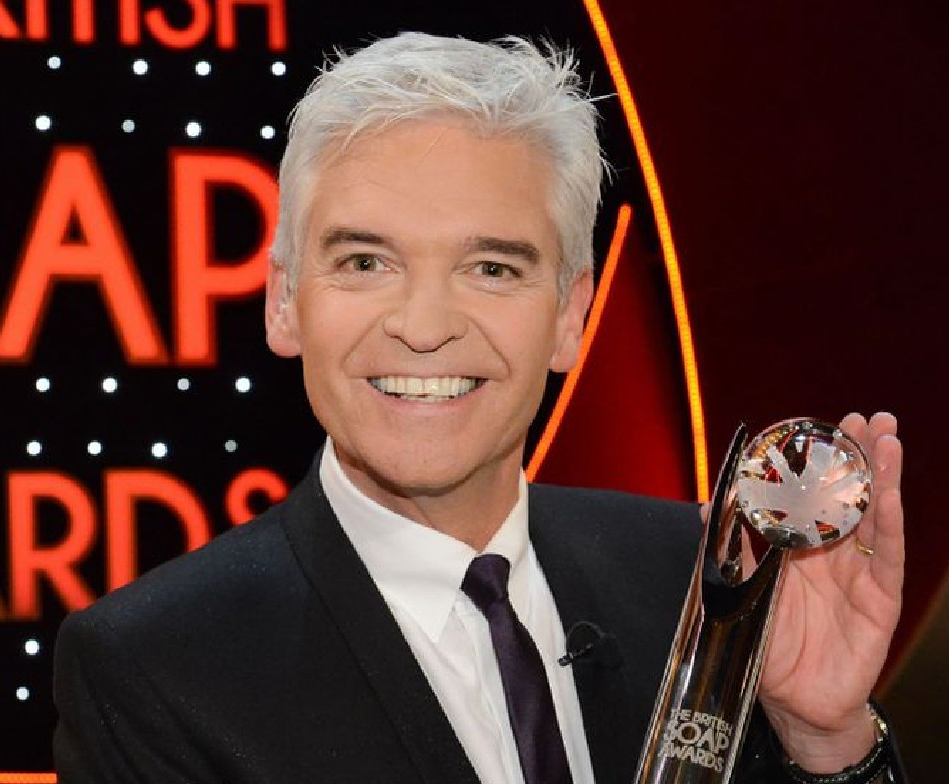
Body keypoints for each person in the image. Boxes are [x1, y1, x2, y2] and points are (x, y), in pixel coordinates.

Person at [54, 33, 906, 784]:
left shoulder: (693, 580)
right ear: (285, 301)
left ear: (571, 317)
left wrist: (824, 740)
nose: (424, 328)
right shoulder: (156, 670)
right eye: (364, 262)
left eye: (492, 269)